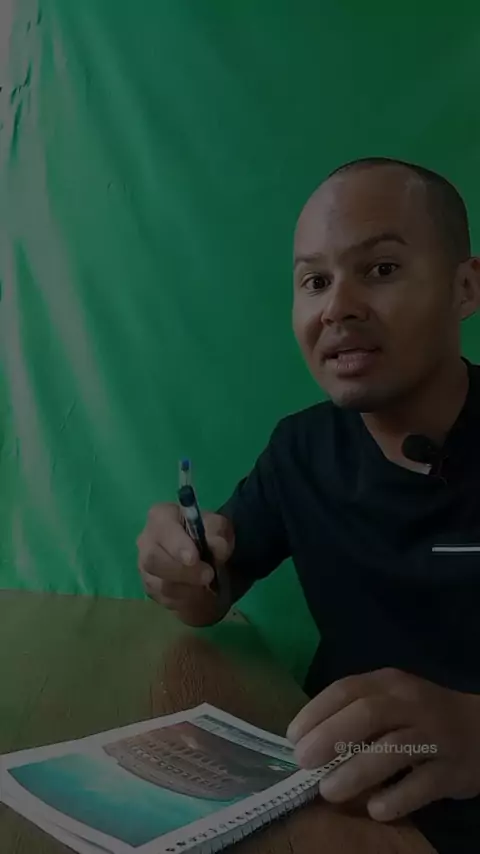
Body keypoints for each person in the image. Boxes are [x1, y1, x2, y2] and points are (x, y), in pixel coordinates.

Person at [136, 157, 480, 854]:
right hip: (331, 803)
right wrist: (181, 570)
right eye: (315, 281)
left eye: (381, 269)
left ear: (465, 287)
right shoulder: (300, 450)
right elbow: (213, 589)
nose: (337, 308)